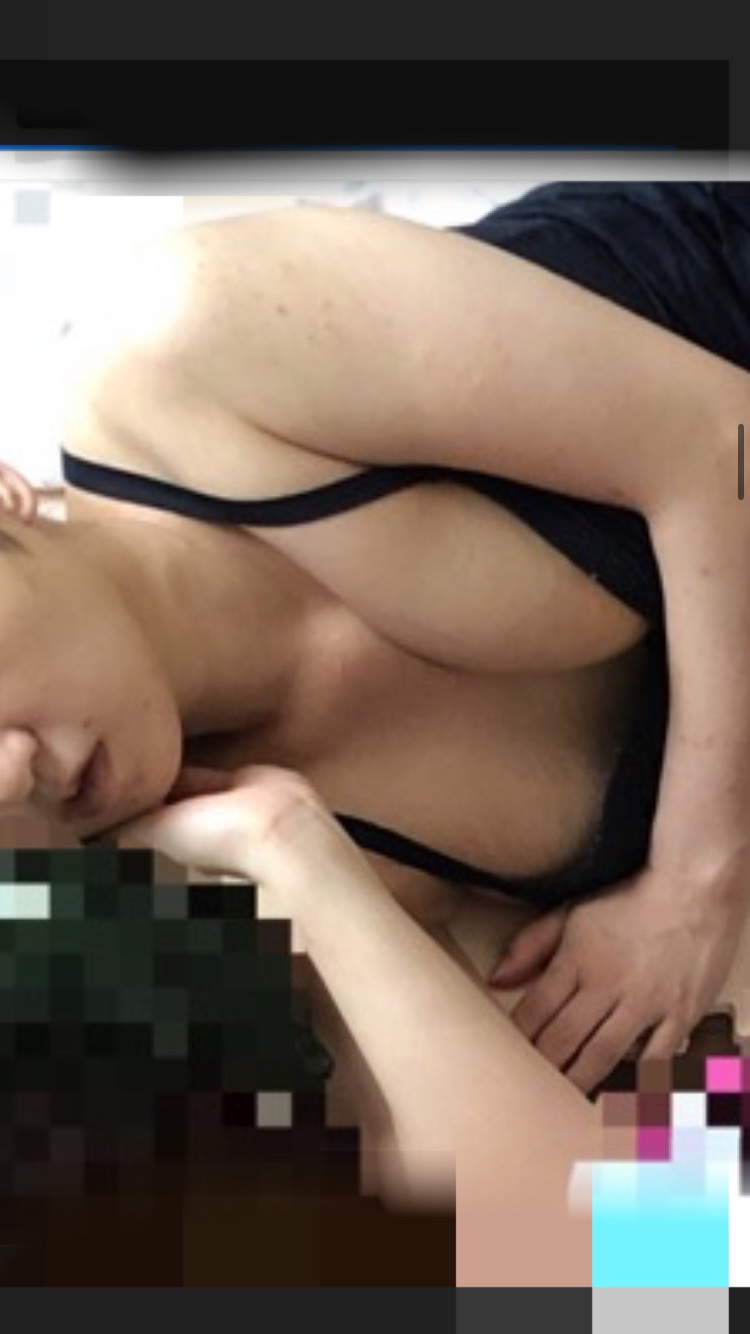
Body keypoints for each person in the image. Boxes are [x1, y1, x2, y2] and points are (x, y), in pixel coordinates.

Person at [0, 183, 749, 1163]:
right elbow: (568, 1230)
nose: (7, 776)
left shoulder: (188, 343)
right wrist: (301, 859)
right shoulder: (215, 859)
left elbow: (724, 440)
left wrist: (695, 877)